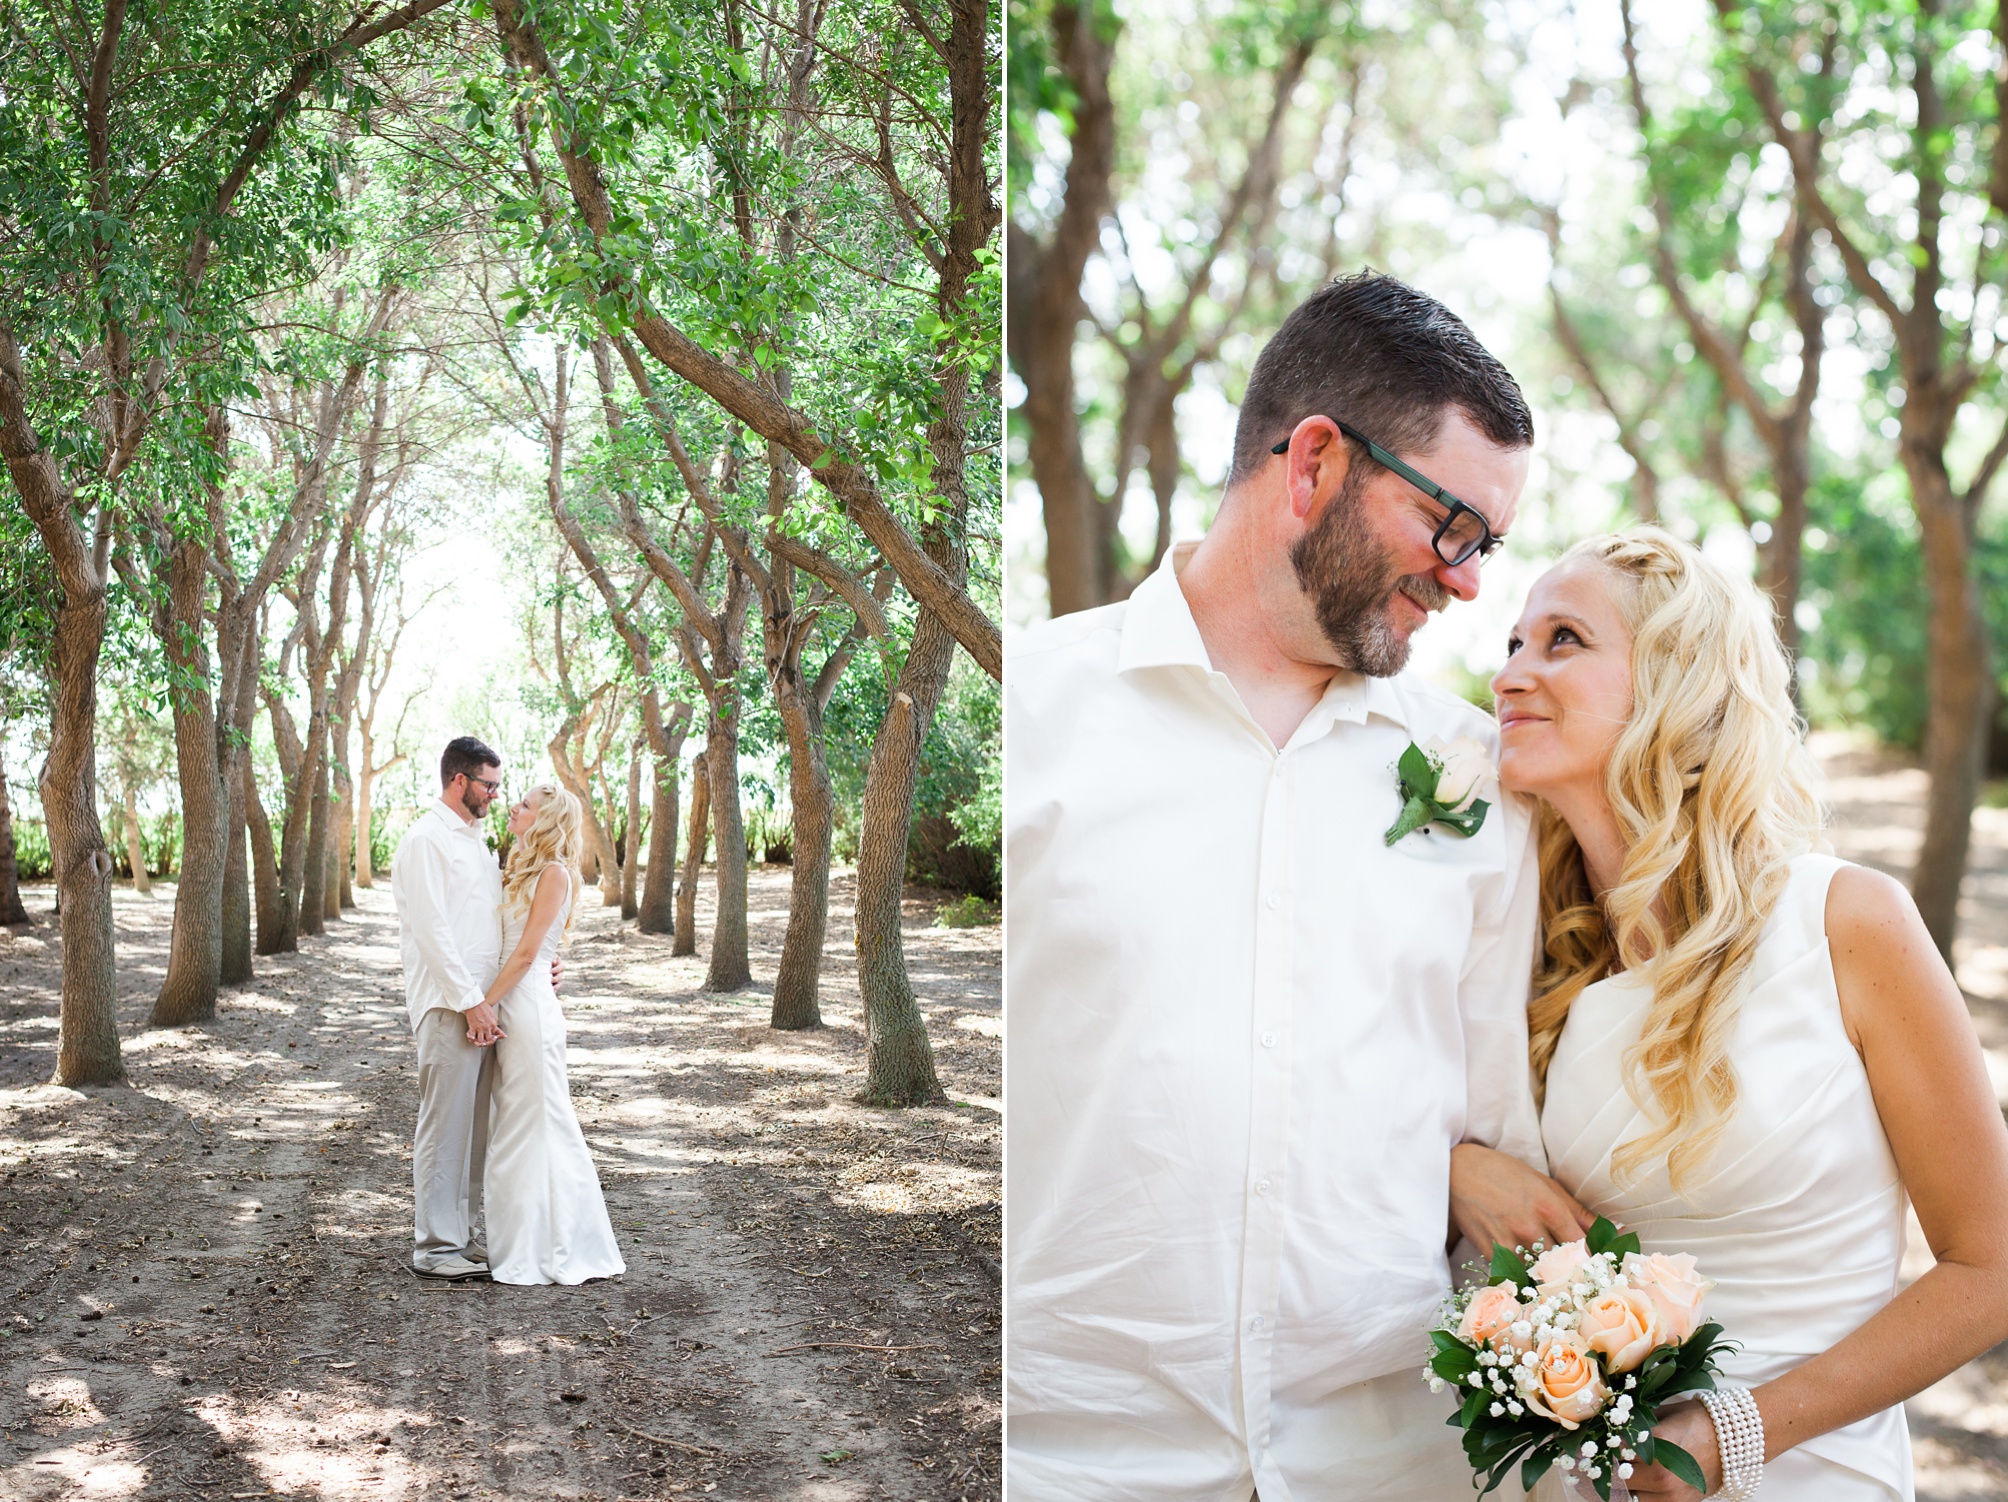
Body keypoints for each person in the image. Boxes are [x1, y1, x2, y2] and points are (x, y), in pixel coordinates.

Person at [1006, 271, 1568, 1498]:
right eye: (1452, 527)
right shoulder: (1029, 708)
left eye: (1489, 546)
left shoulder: (1474, 771)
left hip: (1390, 1460)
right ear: (1313, 463)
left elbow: (1492, 1121)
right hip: (1072, 1453)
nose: (1470, 580)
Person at [1455, 529, 2008, 1500]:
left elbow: (1988, 1266)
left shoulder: (1845, 921)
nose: (1511, 674)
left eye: (1562, 640)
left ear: (1677, 679)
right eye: (1511, 644)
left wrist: (1734, 1432)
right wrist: (1453, 1167)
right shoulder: (1533, 950)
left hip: (1808, 1471)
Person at [479, 784, 624, 1286]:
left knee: (540, 1125)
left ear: (546, 820)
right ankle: (520, 1240)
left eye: (524, 805)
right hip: (511, 1000)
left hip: (529, 1011)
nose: (513, 809)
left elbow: (526, 955)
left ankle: (561, 1246)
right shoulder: (515, 862)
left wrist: (485, 1005)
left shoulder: (555, 873)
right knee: (514, 1126)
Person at [391, 736, 510, 1282]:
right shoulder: (425, 840)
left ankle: (459, 1236)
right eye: (488, 785)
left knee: (475, 1131)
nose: (494, 795)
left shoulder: (476, 842)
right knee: (445, 1127)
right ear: (459, 781)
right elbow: (433, 931)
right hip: (450, 1006)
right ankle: (435, 1247)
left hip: (485, 1007)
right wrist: (469, 1002)